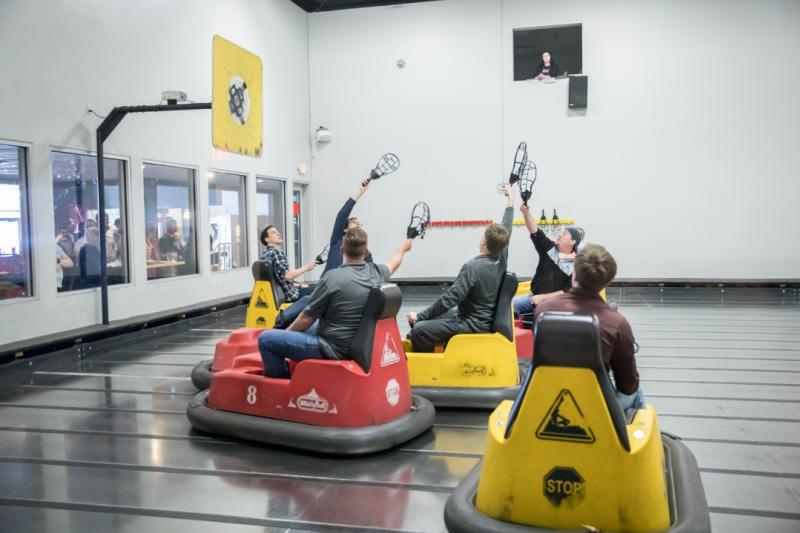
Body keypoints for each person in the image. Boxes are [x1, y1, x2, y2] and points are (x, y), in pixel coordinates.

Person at [258, 228, 413, 378]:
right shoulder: (377, 272)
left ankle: (281, 385)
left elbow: (305, 318)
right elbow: (394, 263)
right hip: (356, 340)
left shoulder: (332, 278)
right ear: (366, 253)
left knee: (266, 339)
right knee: (309, 327)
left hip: (332, 347)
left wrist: (285, 335)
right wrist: (403, 248)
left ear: (341, 250)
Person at [535, 244, 643, 419]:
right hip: (593, 401)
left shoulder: (543, 309)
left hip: (547, 394)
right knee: (637, 392)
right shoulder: (617, 323)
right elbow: (628, 384)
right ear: (606, 282)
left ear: (574, 274)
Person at [405, 184, 515, 352]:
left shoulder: (472, 267)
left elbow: (449, 299)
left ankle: (434, 363)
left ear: (483, 243)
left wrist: (419, 317)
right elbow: (507, 225)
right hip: (479, 317)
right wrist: (511, 199)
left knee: (419, 329)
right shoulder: (502, 255)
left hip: (472, 323)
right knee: (427, 320)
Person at [512, 203, 581, 317]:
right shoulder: (550, 248)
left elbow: (568, 291)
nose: (560, 235)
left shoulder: (576, 264)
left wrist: (543, 298)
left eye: (564, 234)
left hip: (557, 304)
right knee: (507, 306)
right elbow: (535, 232)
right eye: (561, 232)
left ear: (573, 242)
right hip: (532, 298)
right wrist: (526, 213)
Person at [260, 224, 318, 305]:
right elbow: (287, 276)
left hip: (283, 293)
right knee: (321, 289)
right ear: (267, 239)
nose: (278, 234)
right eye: (274, 233)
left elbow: (280, 280)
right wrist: (307, 267)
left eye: (278, 232)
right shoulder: (276, 252)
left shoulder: (265, 254)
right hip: (290, 295)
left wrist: (299, 285)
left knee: (311, 286)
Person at [323, 180, 373, 274]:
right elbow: (341, 215)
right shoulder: (337, 240)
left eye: (359, 223)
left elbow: (370, 275)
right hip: (327, 287)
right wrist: (359, 192)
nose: (358, 224)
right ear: (345, 229)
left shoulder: (366, 253)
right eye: (354, 222)